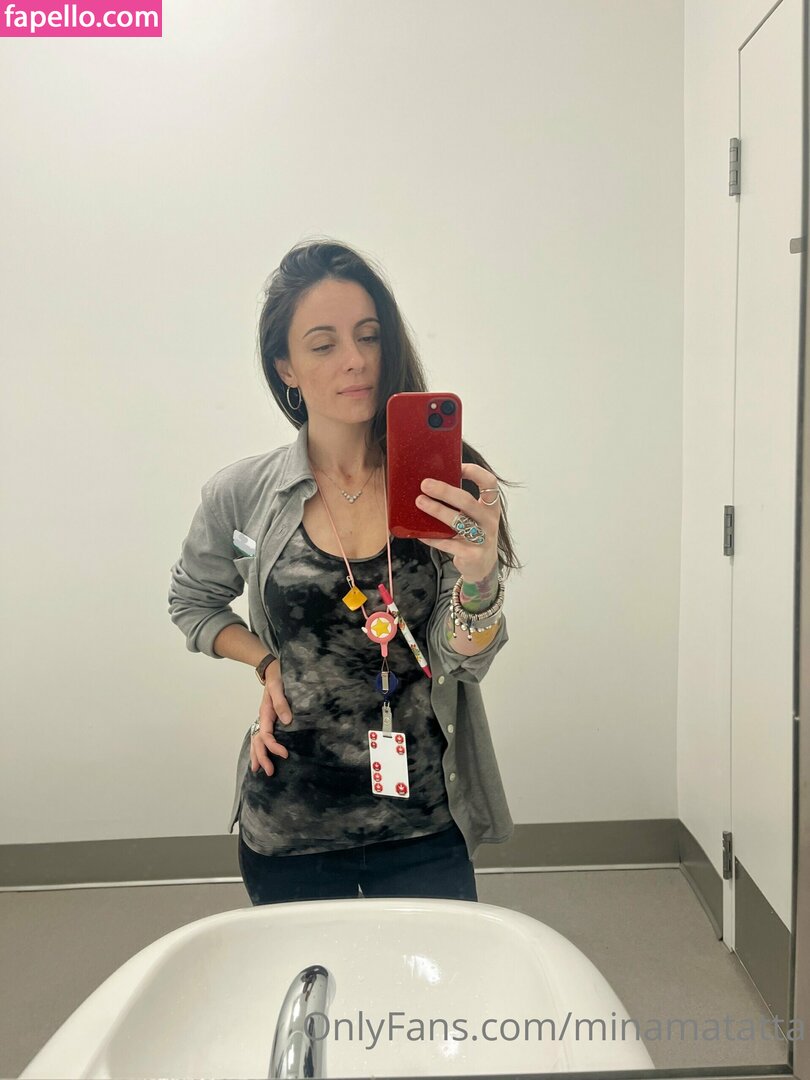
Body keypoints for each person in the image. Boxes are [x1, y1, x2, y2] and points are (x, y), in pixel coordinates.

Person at [168, 238, 522, 905]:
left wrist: (479, 581)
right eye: (323, 344)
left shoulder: (441, 487)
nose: (355, 359)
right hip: (290, 819)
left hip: (423, 820)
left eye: (368, 335)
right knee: (307, 975)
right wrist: (266, 662)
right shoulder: (241, 495)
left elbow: (466, 661)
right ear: (286, 367)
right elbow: (193, 604)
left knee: (431, 977)